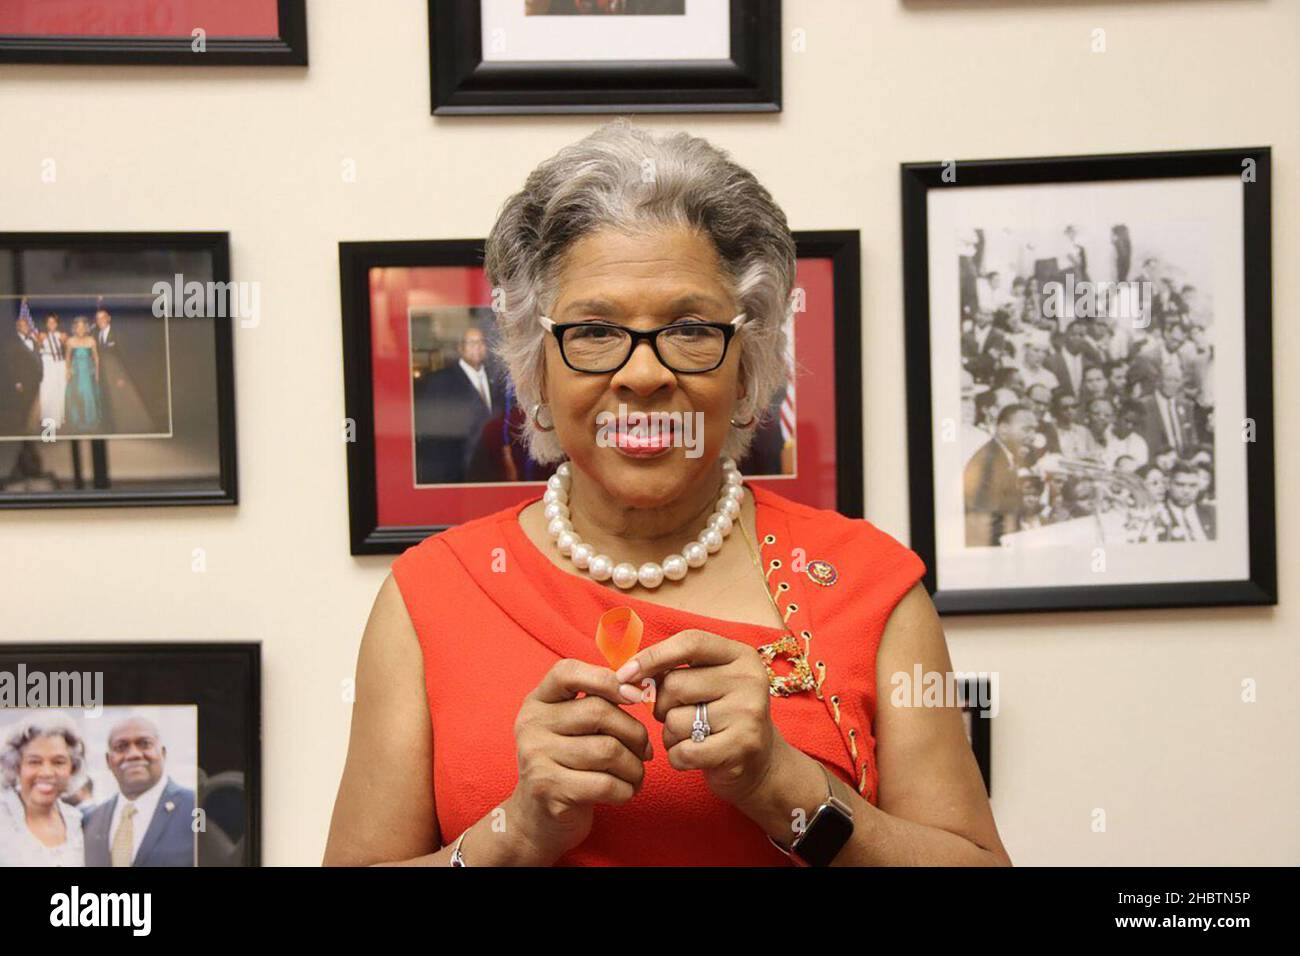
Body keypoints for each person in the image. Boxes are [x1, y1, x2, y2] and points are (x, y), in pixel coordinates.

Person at [324, 121, 1009, 867]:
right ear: (535, 366)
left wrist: (788, 787)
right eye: (593, 330)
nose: (644, 374)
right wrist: (515, 832)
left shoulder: (871, 587)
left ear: (747, 367)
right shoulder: (431, 596)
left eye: (688, 327)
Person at [82, 717, 196, 867]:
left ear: (162, 753)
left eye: (144, 744)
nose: (133, 754)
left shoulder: (195, 808)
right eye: (121, 747)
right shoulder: (92, 819)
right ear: (109, 761)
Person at [412, 326, 506, 484]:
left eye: (481, 342)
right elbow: (432, 431)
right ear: (460, 348)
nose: (477, 347)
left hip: (491, 471)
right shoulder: (440, 380)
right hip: (456, 473)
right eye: (471, 343)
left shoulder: (496, 380)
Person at [0, 714, 86, 866]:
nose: (46, 772)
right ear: (17, 766)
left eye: (58, 762)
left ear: (72, 768)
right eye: (34, 762)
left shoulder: (78, 822)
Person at [963, 403, 1036, 547]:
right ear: (1003, 430)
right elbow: (986, 525)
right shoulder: (988, 463)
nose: (1033, 437)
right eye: (1027, 430)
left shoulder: (1004, 455)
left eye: (1034, 430)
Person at [62, 316, 102, 433]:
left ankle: (90, 422)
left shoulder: (91, 340)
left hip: (88, 373)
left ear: (86, 328)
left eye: (82, 327)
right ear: (74, 328)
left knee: (88, 395)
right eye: (78, 327)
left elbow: (96, 358)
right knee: (76, 396)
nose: (80, 329)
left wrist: (97, 373)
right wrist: (68, 371)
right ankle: (77, 422)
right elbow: (68, 358)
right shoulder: (70, 341)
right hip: (76, 373)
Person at [36, 313, 68, 431]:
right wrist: (39, 341)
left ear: (57, 323)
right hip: (47, 364)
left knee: (60, 390)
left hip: (60, 364)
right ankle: (47, 419)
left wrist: (64, 341)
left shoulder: (62, 335)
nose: (51, 324)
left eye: (53, 322)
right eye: (49, 322)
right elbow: (38, 350)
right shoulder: (41, 335)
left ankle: (59, 418)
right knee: (47, 391)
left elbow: (68, 350)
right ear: (46, 324)